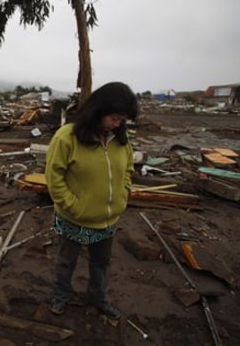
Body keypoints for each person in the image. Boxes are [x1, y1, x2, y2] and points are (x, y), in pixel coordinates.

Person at [44, 82, 138, 319]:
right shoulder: (67, 137)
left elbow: (128, 168)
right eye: (115, 118)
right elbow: (54, 177)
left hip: (107, 219)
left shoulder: (120, 139)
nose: (119, 124)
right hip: (73, 218)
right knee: (66, 261)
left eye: (123, 119)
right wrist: (71, 205)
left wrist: (124, 192)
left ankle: (99, 297)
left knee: (101, 264)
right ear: (99, 109)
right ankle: (61, 296)